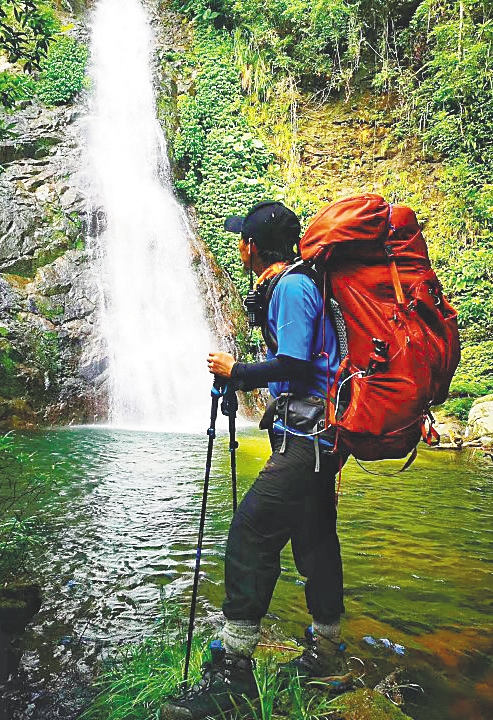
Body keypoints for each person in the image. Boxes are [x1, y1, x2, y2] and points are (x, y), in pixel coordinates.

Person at [162, 201, 350, 720]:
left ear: (251, 247)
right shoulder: (298, 282)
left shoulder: (290, 287)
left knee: (250, 533)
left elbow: (294, 363)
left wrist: (237, 371)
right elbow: (298, 367)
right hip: (316, 438)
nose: (238, 245)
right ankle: (327, 655)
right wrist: (244, 381)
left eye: (240, 239)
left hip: (309, 440)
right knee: (315, 541)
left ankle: (234, 673)